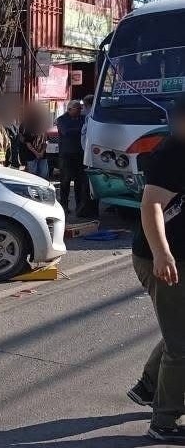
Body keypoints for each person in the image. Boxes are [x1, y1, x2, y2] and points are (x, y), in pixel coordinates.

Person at [128, 96, 185, 444]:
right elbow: (151, 208)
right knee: (182, 344)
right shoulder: (173, 153)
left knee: (178, 332)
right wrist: (162, 254)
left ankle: (148, 386)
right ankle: (163, 422)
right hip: (161, 258)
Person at [56, 100, 85, 212]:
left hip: (79, 154)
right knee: (65, 181)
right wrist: (81, 129)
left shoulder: (82, 118)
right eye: (77, 109)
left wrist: (80, 129)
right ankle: (64, 206)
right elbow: (66, 131)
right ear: (70, 109)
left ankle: (79, 206)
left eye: (80, 109)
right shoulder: (62, 119)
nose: (79, 111)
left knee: (79, 182)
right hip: (66, 155)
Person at [77, 94, 99, 217]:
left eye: (84, 106)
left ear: (88, 105)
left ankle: (89, 210)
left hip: (91, 156)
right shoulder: (88, 117)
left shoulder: (92, 117)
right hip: (87, 154)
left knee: (89, 185)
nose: (82, 109)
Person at [20, 103, 49, 179]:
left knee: (43, 174)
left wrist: (41, 152)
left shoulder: (43, 125)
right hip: (31, 155)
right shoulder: (27, 125)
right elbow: (27, 142)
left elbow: (46, 141)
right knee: (33, 176)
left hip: (42, 155)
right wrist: (36, 153)